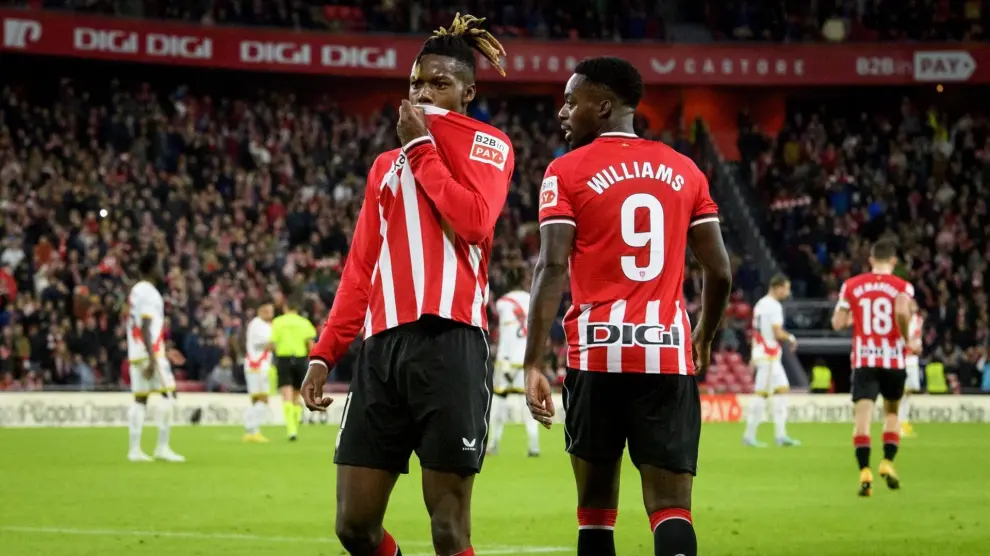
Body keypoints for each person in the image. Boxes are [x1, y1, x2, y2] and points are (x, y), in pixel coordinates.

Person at [300, 13, 513, 556]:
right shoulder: (383, 166)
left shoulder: (488, 145)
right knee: (354, 526)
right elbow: (360, 268)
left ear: (467, 92)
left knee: (448, 529)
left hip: (450, 343)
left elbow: (474, 221)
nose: (423, 93)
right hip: (381, 350)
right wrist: (325, 352)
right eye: (416, 83)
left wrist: (420, 148)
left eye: (439, 83)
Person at [523, 57, 731, 556]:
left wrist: (532, 361)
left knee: (595, 513)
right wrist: (703, 335)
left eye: (571, 102)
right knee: (671, 508)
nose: (562, 112)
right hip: (666, 353)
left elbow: (551, 266)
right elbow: (720, 271)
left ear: (603, 106)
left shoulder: (565, 170)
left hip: (597, 356)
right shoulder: (686, 170)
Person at [831, 239, 919, 497]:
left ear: (870, 260)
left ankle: (865, 473)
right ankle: (887, 462)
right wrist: (907, 340)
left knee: (863, 419)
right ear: (893, 261)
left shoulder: (851, 285)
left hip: (864, 360)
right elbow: (901, 311)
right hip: (893, 359)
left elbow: (838, 323)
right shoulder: (902, 286)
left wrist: (854, 316)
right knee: (892, 414)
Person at [126, 251, 184, 463]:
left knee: (140, 399)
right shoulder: (149, 292)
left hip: (137, 352)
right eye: (159, 265)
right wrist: (153, 358)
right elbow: (146, 325)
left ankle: (134, 450)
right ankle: (162, 447)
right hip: (148, 353)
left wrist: (163, 350)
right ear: (151, 269)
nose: (162, 269)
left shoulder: (137, 290)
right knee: (169, 395)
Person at [487, 267, 541, 457]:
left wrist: (506, 360)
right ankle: (534, 446)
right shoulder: (532, 299)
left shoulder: (503, 303)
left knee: (499, 402)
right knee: (529, 402)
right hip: (527, 358)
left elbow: (507, 331)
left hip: (507, 359)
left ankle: (494, 444)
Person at [743, 274, 801, 447]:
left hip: (766, 355)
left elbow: (756, 332)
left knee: (782, 389)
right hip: (767, 357)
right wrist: (791, 338)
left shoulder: (760, 304)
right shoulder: (774, 306)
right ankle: (749, 436)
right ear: (778, 287)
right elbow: (777, 332)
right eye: (786, 288)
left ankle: (781, 435)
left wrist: (753, 355)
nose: (787, 292)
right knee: (761, 395)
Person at [270, 293, 317, 441]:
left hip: (283, 359)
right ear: (297, 309)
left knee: (286, 393)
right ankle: (295, 425)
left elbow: (273, 343)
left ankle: (291, 429)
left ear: (285, 307)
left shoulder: (277, 322)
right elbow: (311, 345)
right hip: (300, 359)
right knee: (297, 393)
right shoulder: (304, 323)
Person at [243, 302, 274, 443]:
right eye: (267, 310)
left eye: (271, 311)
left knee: (256, 399)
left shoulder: (263, 324)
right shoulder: (258, 324)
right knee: (263, 399)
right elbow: (268, 344)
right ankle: (251, 427)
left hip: (258, 365)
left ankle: (252, 430)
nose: (270, 313)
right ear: (260, 310)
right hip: (257, 365)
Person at [899, 300, 924, 437]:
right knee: (901, 393)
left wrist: (918, 346)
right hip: (902, 359)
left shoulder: (918, 320)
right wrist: (910, 346)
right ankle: (900, 424)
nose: (914, 305)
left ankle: (903, 423)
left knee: (908, 392)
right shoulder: (900, 318)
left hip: (913, 360)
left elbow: (918, 337)